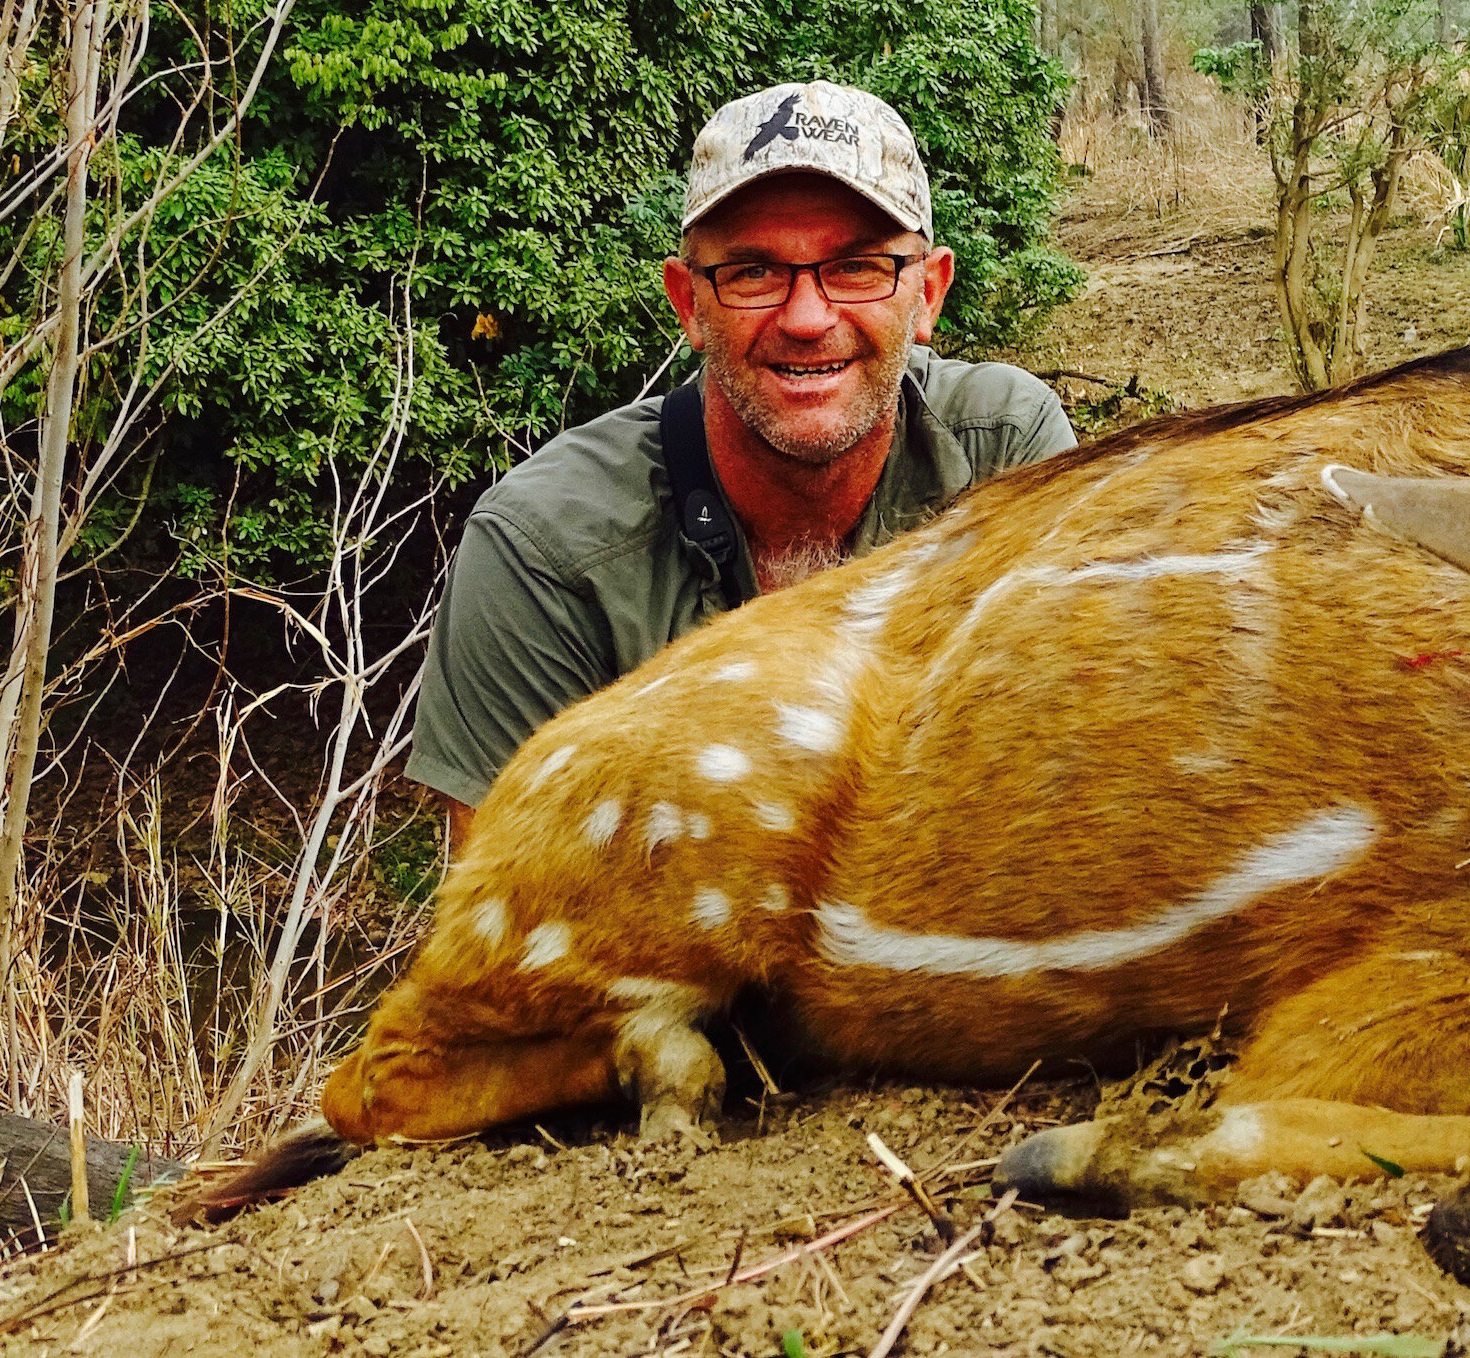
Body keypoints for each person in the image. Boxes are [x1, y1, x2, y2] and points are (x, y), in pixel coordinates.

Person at [409, 81, 1074, 851]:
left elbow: (1055, 817)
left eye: (857, 266)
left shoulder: (1009, 455)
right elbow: (510, 930)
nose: (805, 317)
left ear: (928, 294)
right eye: (753, 271)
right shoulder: (544, 550)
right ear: (689, 303)